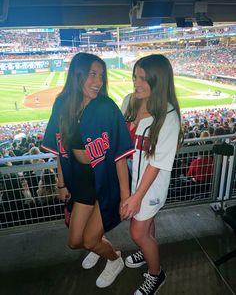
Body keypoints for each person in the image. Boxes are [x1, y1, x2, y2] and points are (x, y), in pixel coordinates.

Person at [42, 53, 134, 288]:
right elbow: (60, 150)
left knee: (89, 239)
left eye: (101, 75)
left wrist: (126, 197)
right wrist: (61, 183)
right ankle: (98, 246)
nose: (99, 81)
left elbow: (120, 157)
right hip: (80, 180)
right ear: (77, 74)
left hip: (107, 179)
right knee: (75, 242)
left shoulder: (106, 107)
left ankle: (114, 259)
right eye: (92, 74)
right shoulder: (62, 104)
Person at [121, 54, 182, 295]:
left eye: (144, 79)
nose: (137, 83)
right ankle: (148, 249)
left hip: (150, 185)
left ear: (159, 81)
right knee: (146, 228)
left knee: (137, 231)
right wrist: (126, 190)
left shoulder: (168, 116)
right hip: (131, 179)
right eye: (135, 77)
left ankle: (156, 274)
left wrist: (136, 197)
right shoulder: (128, 101)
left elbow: (156, 164)